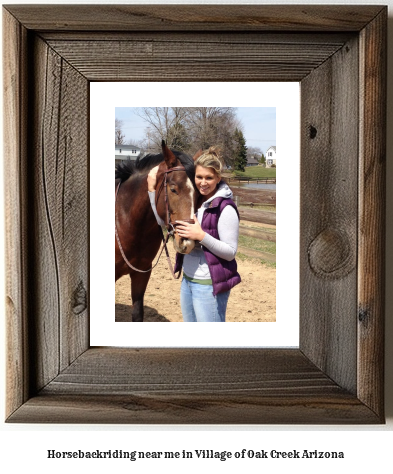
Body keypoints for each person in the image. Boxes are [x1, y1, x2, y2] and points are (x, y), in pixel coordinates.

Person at [147, 147, 241, 322]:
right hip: (188, 280)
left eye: (209, 178)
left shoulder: (225, 208)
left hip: (209, 284)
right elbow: (162, 222)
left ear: (218, 178)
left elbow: (230, 252)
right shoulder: (194, 201)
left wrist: (201, 236)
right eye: (199, 177)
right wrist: (152, 190)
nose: (203, 182)